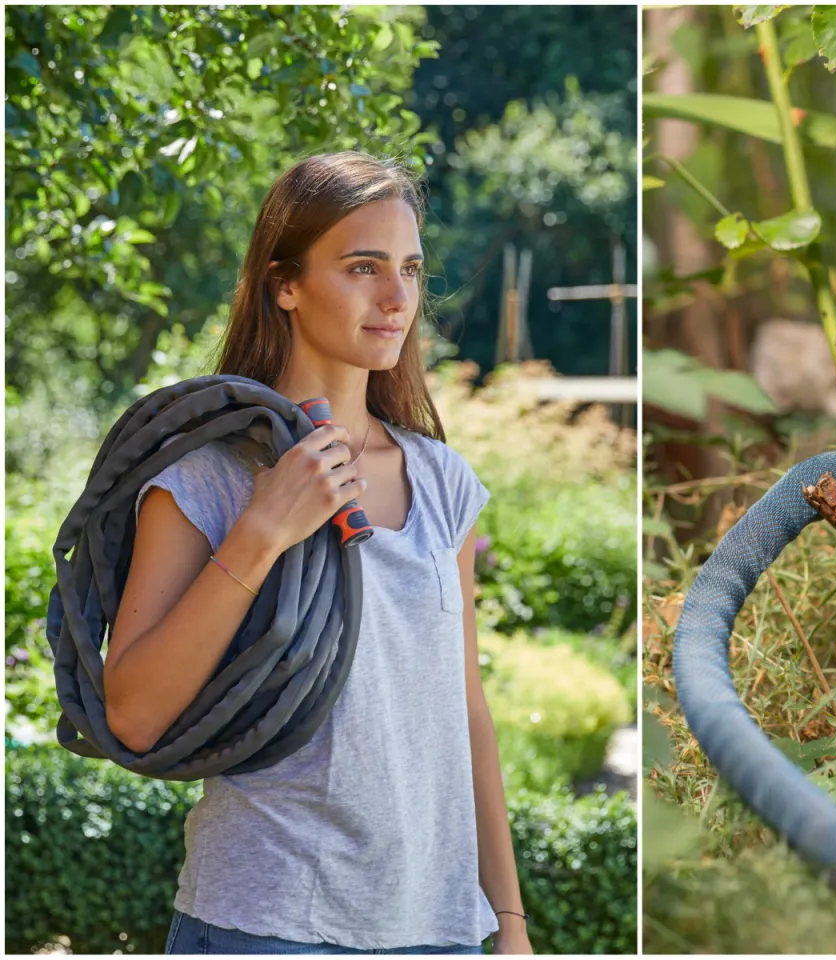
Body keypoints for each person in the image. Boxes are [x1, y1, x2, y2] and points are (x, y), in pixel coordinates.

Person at [103, 152, 533, 955]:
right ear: (284, 285)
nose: (398, 297)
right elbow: (131, 710)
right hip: (265, 919)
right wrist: (263, 531)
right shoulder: (209, 478)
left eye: (409, 268)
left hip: (435, 928)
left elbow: (464, 707)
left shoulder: (443, 482)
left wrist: (506, 919)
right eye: (362, 267)